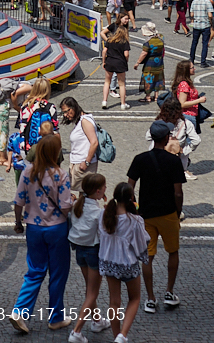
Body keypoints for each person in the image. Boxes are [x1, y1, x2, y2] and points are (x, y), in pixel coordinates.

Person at [9, 134, 72, 334]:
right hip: (56, 229)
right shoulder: (60, 174)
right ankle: (56, 317)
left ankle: (20, 311)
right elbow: (65, 206)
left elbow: (18, 202)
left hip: (34, 229)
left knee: (35, 271)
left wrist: (18, 222)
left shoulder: (28, 171)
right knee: (58, 274)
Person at [127, 120, 186, 314]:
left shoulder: (140, 159)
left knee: (147, 257)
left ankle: (150, 298)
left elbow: (129, 188)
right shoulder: (174, 161)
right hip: (168, 213)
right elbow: (178, 192)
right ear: (167, 138)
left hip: (146, 215)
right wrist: (178, 212)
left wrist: (135, 209)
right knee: (173, 252)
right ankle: (169, 292)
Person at [98, 181, 149, 343]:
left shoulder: (103, 216)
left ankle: (116, 335)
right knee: (134, 299)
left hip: (109, 263)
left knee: (114, 302)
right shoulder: (135, 221)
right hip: (128, 265)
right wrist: (144, 258)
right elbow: (141, 244)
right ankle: (123, 335)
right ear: (131, 198)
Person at [69, 173, 110, 343]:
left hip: (80, 252)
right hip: (94, 252)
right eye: (105, 187)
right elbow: (104, 233)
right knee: (92, 293)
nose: (106, 189)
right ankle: (77, 331)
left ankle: (97, 320)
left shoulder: (77, 206)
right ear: (99, 191)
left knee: (89, 290)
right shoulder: (98, 212)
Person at [148, 98, 201, 181]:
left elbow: (148, 136)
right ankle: (183, 171)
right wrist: (187, 149)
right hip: (177, 153)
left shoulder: (159, 122)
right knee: (185, 148)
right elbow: (196, 140)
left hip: (159, 152)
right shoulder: (186, 123)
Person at [60, 97, 98, 190]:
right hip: (79, 164)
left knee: (85, 195)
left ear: (73, 108)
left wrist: (86, 162)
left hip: (83, 166)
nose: (65, 115)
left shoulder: (85, 121)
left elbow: (94, 142)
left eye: (66, 111)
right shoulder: (80, 121)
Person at [101, 25, 130, 111]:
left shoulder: (110, 40)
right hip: (120, 63)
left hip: (110, 62)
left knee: (107, 82)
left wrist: (103, 61)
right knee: (121, 84)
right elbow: (126, 54)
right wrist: (126, 61)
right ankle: (123, 104)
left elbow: (104, 51)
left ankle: (104, 101)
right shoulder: (124, 42)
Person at [188, 0, 213, 67]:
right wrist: (211, 22)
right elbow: (210, 15)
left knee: (194, 42)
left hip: (196, 24)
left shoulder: (194, 1)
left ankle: (191, 59)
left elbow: (191, 14)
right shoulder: (207, 2)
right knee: (205, 43)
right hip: (205, 25)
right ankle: (203, 61)